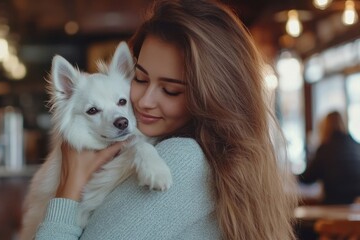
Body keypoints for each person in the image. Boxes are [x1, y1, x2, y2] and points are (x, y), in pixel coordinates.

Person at [35, 0, 297, 239]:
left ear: (211, 98)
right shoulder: (221, 159)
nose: (145, 100)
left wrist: (68, 189)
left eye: (170, 90)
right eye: (140, 78)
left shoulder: (180, 159)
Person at [300, 111, 360, 205]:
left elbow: (307, 178)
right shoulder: (357, 146)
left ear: (325, 126)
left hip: (334, 205)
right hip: (356, 206)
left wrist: (292, 178)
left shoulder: (325, 148)